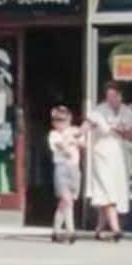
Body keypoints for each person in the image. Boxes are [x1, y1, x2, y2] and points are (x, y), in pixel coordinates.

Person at [86, 82, 132, 241]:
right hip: (101, 155)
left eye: (114, 96)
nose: (111, 99)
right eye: (108, 96)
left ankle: (99, 229)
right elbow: (87, 124)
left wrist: (120, 130)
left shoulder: (127, 112)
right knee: (108, 191)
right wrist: (75, 134)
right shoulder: (99, 111)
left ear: (120, 96)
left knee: (111, 191)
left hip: (119, 158)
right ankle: (116, 229)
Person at [48, 105, 85, 245]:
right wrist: (67, 142)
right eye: (56, 120)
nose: (59, 122)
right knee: (67, 200)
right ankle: (71, 231)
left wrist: (75, 139)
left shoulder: (73, 131)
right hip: (61, 168)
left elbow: (83, 143)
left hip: (74, 168)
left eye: (62, 119)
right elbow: (60, 147)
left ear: (69, 119)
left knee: (66, 202)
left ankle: (55, 231)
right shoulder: (54, 134)